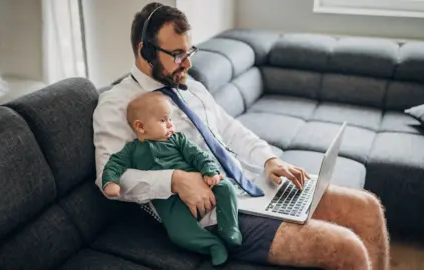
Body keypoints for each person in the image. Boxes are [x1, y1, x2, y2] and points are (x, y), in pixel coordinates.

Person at [93, 2, 390, 270]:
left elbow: (229, 129)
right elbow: (108, 176)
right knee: (346, 249)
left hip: (251, 184)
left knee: (368, 209)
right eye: (178, 54)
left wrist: (269, 159)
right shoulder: (116, 104)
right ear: (146, 51)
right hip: (210, 214)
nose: (188, 63)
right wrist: (174, 179)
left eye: (190, 51)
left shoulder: (190, 85)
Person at [101, 92, 241, 265]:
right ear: (140, 127)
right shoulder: (131, 150)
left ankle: (230, 229)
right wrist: (111, 182)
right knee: (178, 233)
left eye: (170, 120)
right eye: (163, 120)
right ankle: (212, 245)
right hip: (168, 201)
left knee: (226, 187)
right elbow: (113, 164)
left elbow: (198, 155)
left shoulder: (178, 139)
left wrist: (209, 171)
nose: (171, 125)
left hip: (199, 181)